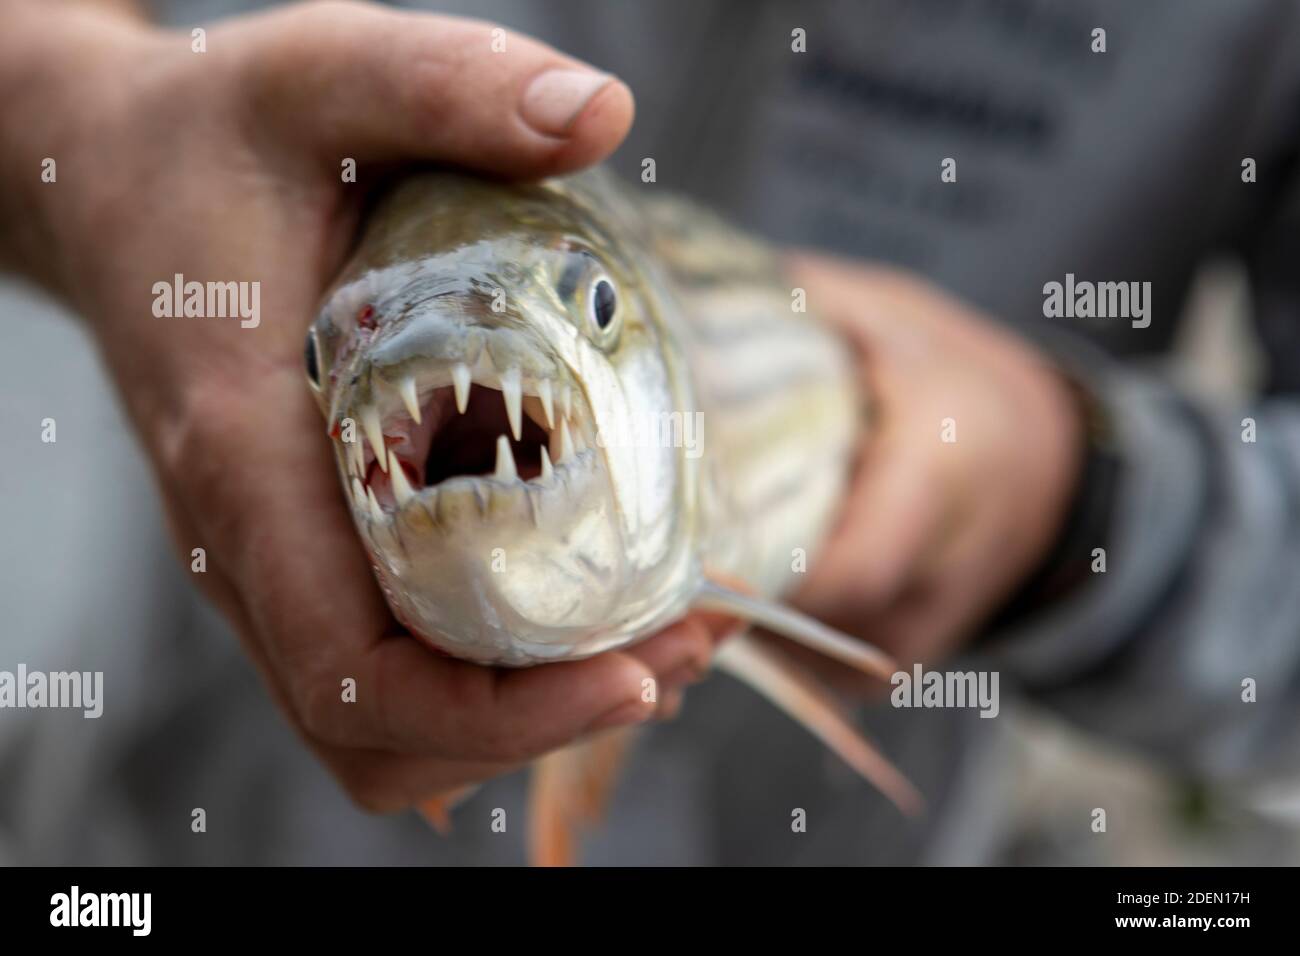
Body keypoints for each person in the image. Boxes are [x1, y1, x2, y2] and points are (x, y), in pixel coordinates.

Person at [1, 0, 1297, 865]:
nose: (428, 355)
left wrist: (1080, 503)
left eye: (595, 312)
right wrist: (82, 120)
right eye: (340, 354)